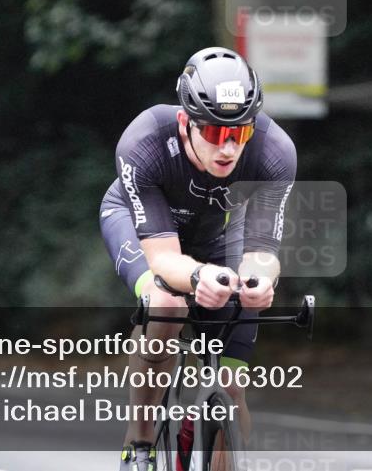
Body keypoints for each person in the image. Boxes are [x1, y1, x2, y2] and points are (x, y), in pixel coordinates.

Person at [100, 47, 296, 471]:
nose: (228, 148)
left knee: (233, 385)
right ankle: (140, 442)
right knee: (166, 304)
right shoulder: (145, 141)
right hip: (142, 229)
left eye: (239, 134)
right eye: (214, 134)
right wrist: (201, 276)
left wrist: (259, 282)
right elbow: (166, 260)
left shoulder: (274, 151)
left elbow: (262, 250)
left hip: (218, 235)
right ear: (187, 123)